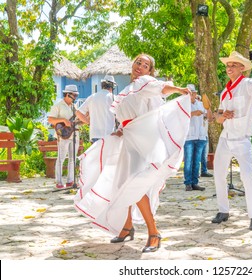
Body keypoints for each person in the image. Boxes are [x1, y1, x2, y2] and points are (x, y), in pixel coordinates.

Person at [74, 53, 191, 253]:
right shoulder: (128, 89)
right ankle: (127, 226)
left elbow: (161, 88)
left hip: (143, 139)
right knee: (124, 183)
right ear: (133, 64)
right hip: (130, 137)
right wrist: (120, 129)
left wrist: (179, 90)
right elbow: (128, 114)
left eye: (145, 65)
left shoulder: (145, 82)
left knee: (134, 183)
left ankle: (154, 233)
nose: (140, 66)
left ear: (149, 71)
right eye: (138, 62)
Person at [212, 51, 252, 231]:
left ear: (242, 68)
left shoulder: (248, 84)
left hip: (242, 140)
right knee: (218, 174)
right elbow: (217, 117)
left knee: (248, 177)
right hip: (225, 138)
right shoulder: (224, 92)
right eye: (227, 65)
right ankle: (223, 211)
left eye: (233, 65)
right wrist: (222, 115)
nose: (229, 67)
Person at [47, 85, 80, 189]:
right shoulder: (58, 105)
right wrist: (63, 120)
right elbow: (50, 120)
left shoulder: (74, 107)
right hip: (64, 136)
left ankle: (70, 180)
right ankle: (59, 181)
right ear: (67, 94)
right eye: (73, 95)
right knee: (61, 158)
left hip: (74, 134)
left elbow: (76, 121)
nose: (75, 97)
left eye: (76, 95)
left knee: (72, 159)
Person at [183, 85, 213, 191]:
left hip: (201, 136)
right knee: (188, 161)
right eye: (189, 93)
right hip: (188, 136)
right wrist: (193, 113)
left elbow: (210, 119)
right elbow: (180, 117)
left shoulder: (201, 104)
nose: (191, 95)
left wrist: (208, 108)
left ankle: (195, 182)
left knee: (197, 162)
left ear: (195, 94)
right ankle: (188, 183)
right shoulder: (182, 105)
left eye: (193, 93)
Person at [76, 75, 116, 143]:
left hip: (94, 134)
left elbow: (78, 113)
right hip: (108, 134)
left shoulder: (92, 97)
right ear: (112, 87)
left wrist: (89, 122)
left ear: (102, 85)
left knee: (96, 154)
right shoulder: (113, 98)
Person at [198, 95, 213, 178]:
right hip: (196, 136)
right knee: (196, 155)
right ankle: (195, 172)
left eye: (200, 100)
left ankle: (204, 170)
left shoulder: (204, 109)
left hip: (204, 135)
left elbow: (210, 119)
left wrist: (208, 108)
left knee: (204, 155)